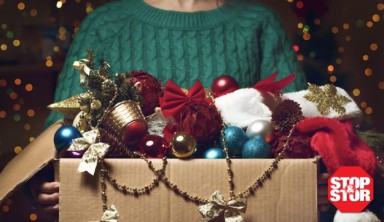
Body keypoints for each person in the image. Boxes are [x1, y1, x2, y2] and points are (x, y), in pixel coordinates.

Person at [28, 0, 331, 218]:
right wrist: (40, 183)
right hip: (126, 209)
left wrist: (312, 179)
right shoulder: (105, 24)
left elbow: (300, 123)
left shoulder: (258, 22)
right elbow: (61, 129)